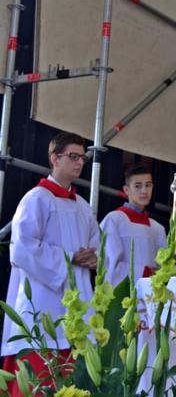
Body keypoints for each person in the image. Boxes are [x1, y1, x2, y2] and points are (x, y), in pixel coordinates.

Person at [1, 132, 114, 396]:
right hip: (44, 302)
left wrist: (95, 259)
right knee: (39, 377)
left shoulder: (83, 207)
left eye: (82, 158)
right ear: (54, 158)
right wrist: (69, 257)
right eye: (73, 156)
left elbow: (99, 247)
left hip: (77, 304)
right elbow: (22, 249)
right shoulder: (36, 199)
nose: (80, 162)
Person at [101, 162, 167, 285]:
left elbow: (163, 266)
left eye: (148, 185)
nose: (144, 191)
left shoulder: (158, 229)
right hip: (121, 292)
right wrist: (146, 273)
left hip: (150, 292)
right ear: (126, 190)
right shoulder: (114, 220)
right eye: (138, 186)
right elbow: (108, 263)